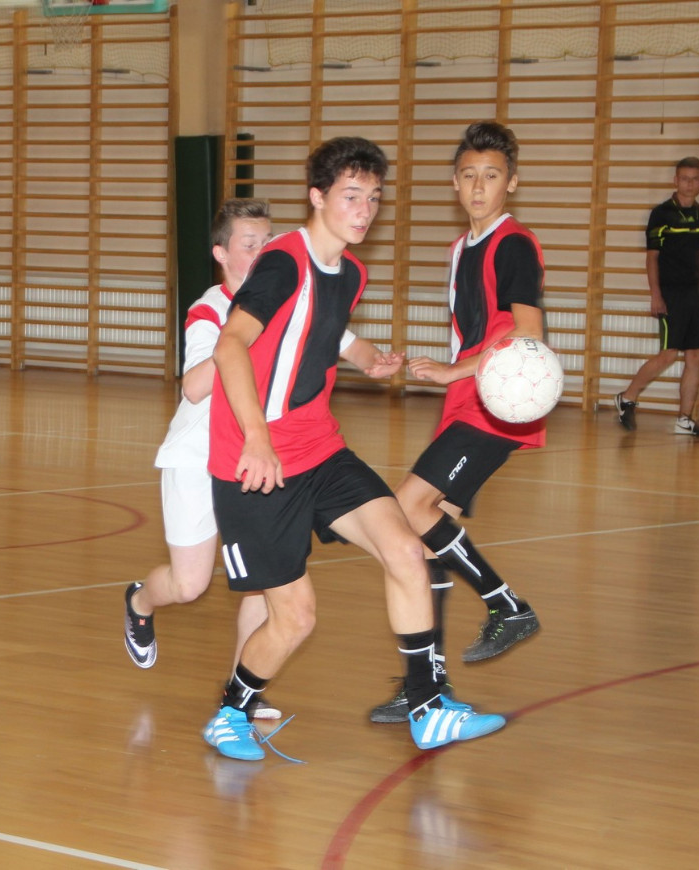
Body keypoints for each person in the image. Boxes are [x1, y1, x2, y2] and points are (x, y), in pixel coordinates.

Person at [201, 136, 507, 761]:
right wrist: (258, 440)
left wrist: (368, 358)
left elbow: (327, 328)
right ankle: (231, 713)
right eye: (350, 196)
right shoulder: (283, 262)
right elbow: (231, 346)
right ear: (317, 197)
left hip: (318, 447)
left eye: (373, 198)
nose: (364, 210)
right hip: (254, 463)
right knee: (295, 618)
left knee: (406, 548)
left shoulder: (351, 271)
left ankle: (428, 708)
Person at [370, 121, 546, 724]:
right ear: (453, 182)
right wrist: (453, 376)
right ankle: (427, 683)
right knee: (423, 534)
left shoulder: (513, 244)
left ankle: (506, 604)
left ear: (511, 183)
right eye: (469, 175)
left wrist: (454, 371)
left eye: (491, 176)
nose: (478, 186)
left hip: (495, 402)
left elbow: (527, 333)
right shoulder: (460, 248)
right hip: (467, 401)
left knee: (407, 508)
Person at [123, 198, 281, 720]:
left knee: (264, 581)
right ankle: (141, 601)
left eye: (268, 244)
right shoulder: (210, 310)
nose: (261, 254)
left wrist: (371, 358)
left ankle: (241, 693)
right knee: (189, 586)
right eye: (249, 245)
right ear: (221, 254)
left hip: (250, 460)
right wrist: (240, 341)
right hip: (195, 458)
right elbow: (193, 386)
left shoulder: (280, 302)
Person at [614, 156, 699, 436]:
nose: (689, 183)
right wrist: (656, 295)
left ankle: (684, 419)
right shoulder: (661, 214)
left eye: (695, 179)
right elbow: (652, 258)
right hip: (671, 293)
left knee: (695, 356)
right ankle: (627, 397)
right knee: (667, 355)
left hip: (696, 293)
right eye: (684, 178)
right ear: (676, 180)